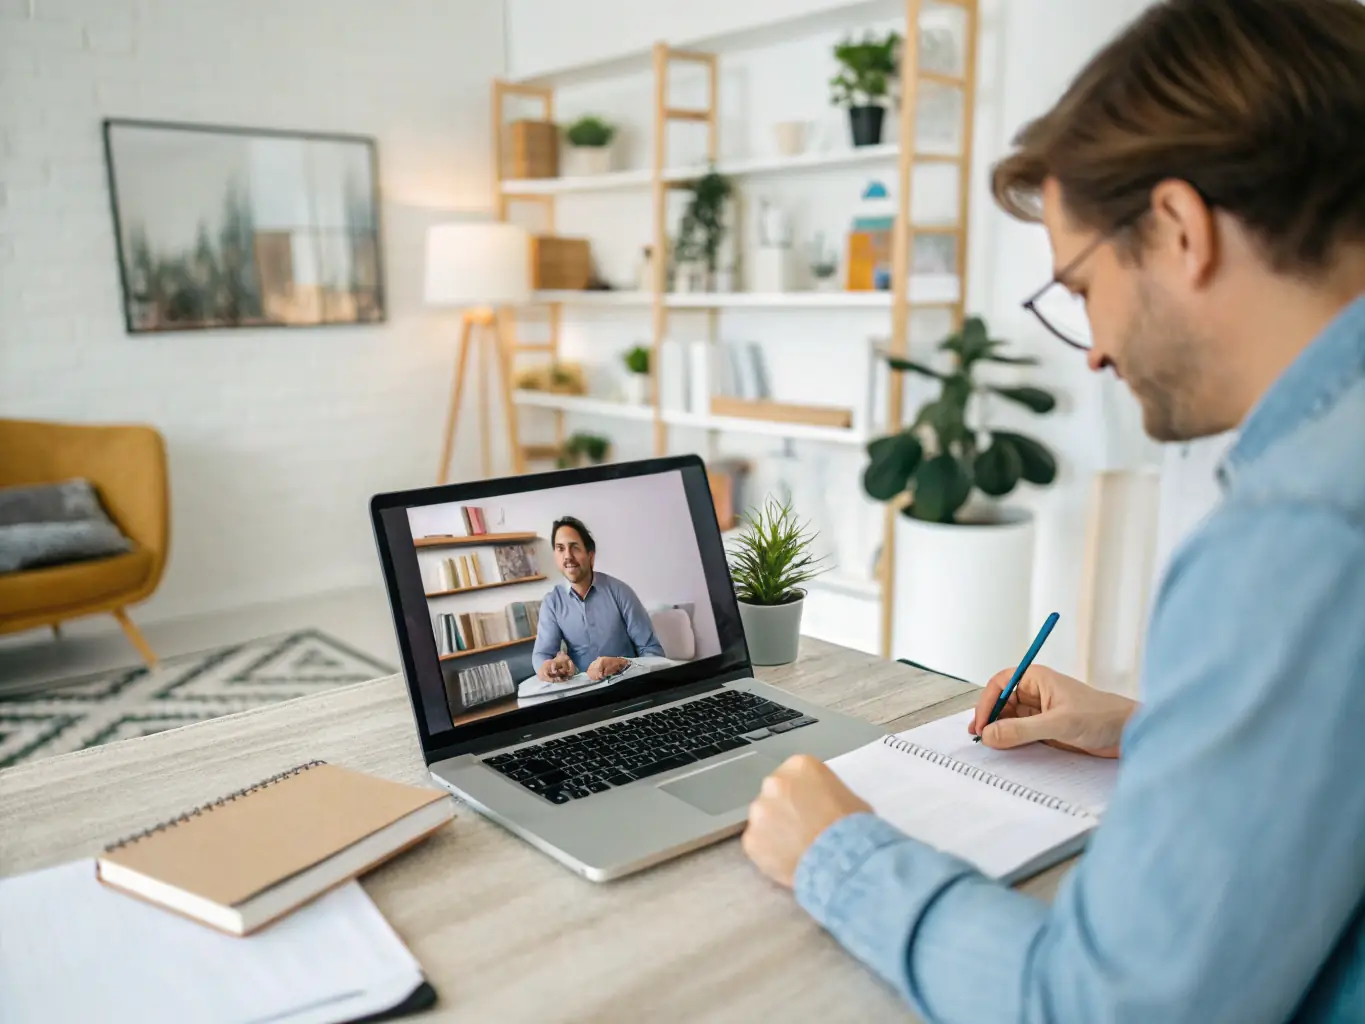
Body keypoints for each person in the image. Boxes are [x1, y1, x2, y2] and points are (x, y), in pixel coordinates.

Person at [741, 1, 1365, 1020]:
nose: (1093, 351)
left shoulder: (1299, 531)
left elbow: (1101, 1008)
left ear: (1176, 229)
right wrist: (1156, 728)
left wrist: (834, 851)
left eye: (1079, 287)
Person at [533, 516, 664, 684]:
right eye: (560, 549)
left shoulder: (620, 591)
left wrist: (622, 664)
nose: (568, 556)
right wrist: (549, 667)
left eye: (574, 547)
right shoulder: (552, 602)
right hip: (583, 695)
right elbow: (542, 655)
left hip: (628, 685)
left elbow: (653, 652)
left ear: (591, 556)